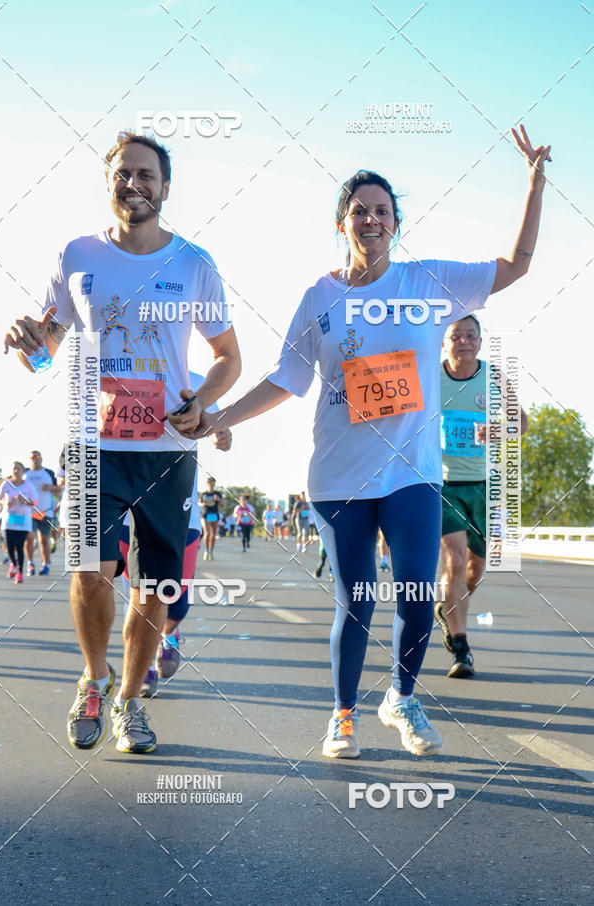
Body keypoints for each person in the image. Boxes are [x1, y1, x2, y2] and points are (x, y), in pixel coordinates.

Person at [191, 125, 550, 758]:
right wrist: (222, 419)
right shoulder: (319, 297)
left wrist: (534, 184)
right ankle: (343, 716)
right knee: (355, 600)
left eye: (383, 211)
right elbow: (286, 379)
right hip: (339, 476)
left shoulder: (428, 283)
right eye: (360, 211)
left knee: (415, 592)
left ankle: (402, 698)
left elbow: (517, 266)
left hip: (413, 471)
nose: (372, 219)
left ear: (396, 224)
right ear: (342, 224)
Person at [3, 130, 241, 754]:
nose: (133, 184)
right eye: (122, 173)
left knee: (156, 586)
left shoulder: (194, 263)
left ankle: (130, 703)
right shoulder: (77, 254)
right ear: (109, 183)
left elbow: (228, 357)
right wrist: (29, 343)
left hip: (167, 448)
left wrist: (201, 401)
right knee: (89, 572)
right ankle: (94, 678)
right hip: (92, 443)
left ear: (166, 187)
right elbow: (46, 350)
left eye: (146, 174)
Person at [119, 371, 232, 697]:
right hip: (127, 505)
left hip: (180, 508)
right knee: (138, 594)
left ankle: (169, 634)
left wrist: (221, 436)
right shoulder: (119, 371)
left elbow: (217, 428)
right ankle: (142, 668)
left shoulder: (197, 382)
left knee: (176, 600)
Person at [435, 315, 528, 678]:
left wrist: (496, 430)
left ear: (479, 342)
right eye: (456, 335)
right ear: (444, 342)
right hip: (444, 484)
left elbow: (521, 423)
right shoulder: (431, 377)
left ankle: (448, 608)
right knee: (455, 561)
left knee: (475, 571)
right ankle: (461, 649)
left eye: (471, 335)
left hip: (484, 486)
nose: (464, 341)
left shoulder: (493, 376)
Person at [0, 462, 37, 584]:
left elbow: (35, 502)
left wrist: (25, 501)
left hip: (24, 521)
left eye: (18, 469)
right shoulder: (6, 484)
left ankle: (19, 573)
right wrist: (4, 503)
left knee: (19, 546)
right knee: (9, 548)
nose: (16, 471)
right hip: (9, 520)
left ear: (23, 471)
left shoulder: (28, 485)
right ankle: (13, 564)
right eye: (14, 469)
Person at [24, 450, 60, 576]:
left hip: (46, 512)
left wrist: (51, 487)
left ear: (41, 459)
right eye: (32, 458)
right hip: (29, 513)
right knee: (29, 538)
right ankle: (30, 564)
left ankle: (46, 565)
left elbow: (59, 488)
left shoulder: (48, 473)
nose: (35, 460)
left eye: (37, 457)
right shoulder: (25, 474)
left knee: (44, 540)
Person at [199, 477, 223, 560]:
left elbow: (223, 505)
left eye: (213, 483)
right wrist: (202, 504)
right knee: (207, 533)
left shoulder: (217, 493)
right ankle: (206, 551)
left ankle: (210, 552)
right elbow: (199, 503)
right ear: (207, 483)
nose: (211, 484)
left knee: (213, 535)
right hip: (206, 514)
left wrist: (218, 500)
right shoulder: (204, 493)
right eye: (210, 482)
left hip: (214, 514)